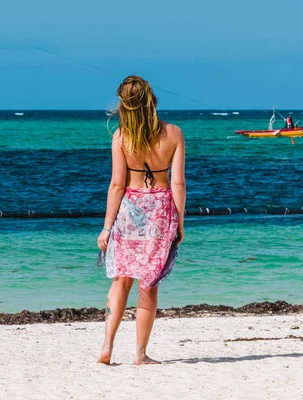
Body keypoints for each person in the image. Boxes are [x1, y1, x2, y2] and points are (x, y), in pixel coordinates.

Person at [97, 75, 186, 366]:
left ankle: (107, 347)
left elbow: (117, 185)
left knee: (122, 279)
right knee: (148, 283)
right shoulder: (173, 133)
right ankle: (140, 354)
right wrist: (180, 223)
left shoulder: (121, 137)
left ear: (124, 106)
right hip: (160, 211)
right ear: (152, 101)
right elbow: (178, 184)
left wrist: (107, 227)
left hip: (129, 210)